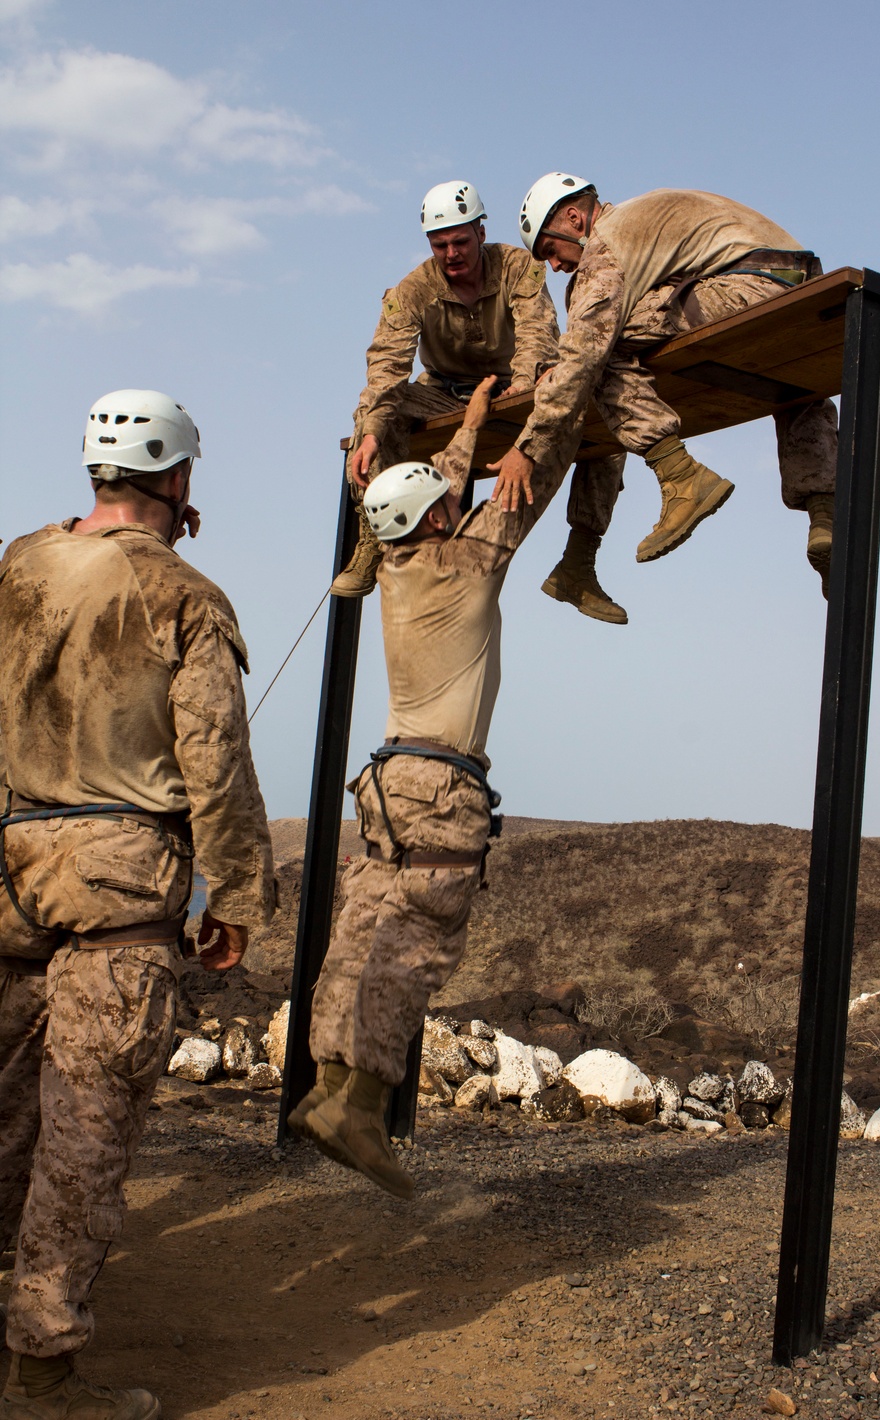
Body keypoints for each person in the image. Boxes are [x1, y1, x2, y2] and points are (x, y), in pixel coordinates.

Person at [0, 390, 274, 1420]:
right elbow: (215, 759)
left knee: (7, 1109)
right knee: (83, 1130)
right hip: (117, 885)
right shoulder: (184, 595)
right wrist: (238, 893)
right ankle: (43, 1375)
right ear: (180, 477)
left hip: (9, 863)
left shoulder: (19, 564)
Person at [290, 373, 590, 1197]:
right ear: (439, 519)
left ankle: (324, 1086)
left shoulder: (397, 563)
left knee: (357, 932)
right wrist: (546, 428)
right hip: (440, 785)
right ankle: (362, 1106)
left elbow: (440, 490)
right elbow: (526, 490)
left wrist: (477, 422)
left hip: (387, 778)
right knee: (413, 942)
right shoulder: (466, 561)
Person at [492, 174, 840, 595]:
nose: (554, 266)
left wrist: (526, 447)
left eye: (550, 250)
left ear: (573, 217)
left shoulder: (606, 244)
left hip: (750, 283)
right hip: (800, 277)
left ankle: (680, 477)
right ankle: (825, 516)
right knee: (795, 385)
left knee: (601, 347)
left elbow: (585, 352)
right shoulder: (642, 221)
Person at [333, 178, 628, 624]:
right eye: (439, 245)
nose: (451, 254)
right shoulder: (413, 289)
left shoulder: (515, 266)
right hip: (442, 395)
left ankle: (579, 561)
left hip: (515, 389)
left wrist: (523, 387)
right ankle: (372, 540)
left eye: (459, 241)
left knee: (592, 405)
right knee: (373, 413)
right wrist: (372, 430)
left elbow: (537, 333)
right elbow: (387, 365)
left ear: (480, 234)